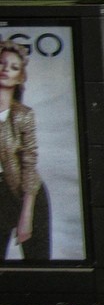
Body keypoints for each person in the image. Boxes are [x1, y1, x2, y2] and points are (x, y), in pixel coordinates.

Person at [0, 42, 50, 262]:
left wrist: (26, 213)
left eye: (12, 67)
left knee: (38, 262)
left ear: (20, 77)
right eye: (2, 64)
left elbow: (29, 163)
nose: (5, 69)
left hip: (26, 192)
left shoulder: (23, 115)